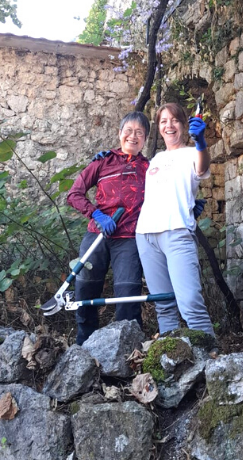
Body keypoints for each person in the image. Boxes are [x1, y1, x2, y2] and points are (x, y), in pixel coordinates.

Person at [60, 113, 151, 345]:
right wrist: (96, 214)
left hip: (129, 238)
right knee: (85, 292)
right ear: (120, 134)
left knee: (128, 296)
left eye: (139, 132)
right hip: (97, 234)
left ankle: (128, 350)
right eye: (128, 130)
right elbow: (74, 194)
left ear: (146, 139)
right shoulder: (102, 161)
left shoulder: (150, 169)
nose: (133, 136)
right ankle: (84, 345)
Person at [135, 102, 215, 336]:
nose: (169, 125)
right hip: (146, 236)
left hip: (177, 233)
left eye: (175, 120)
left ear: (183, 124)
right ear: (158, 128)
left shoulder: (192, 153)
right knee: (164, 304)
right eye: (163, 121)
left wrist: (201, 141)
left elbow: (201, 168)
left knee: (190, 302)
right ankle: (171, 366)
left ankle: (212, 362)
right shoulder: (156, 159)